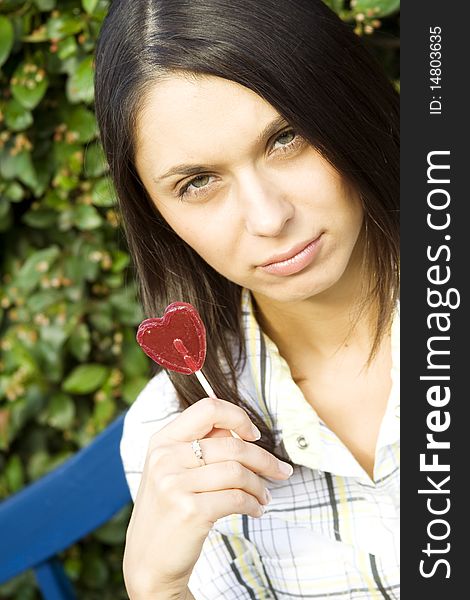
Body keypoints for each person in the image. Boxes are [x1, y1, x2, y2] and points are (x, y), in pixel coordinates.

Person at [94, 0, 400, 598]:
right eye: (198, 183)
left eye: (287, 138)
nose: (268, 217)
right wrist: (157, 585)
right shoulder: (172, 439)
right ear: (156, 214)